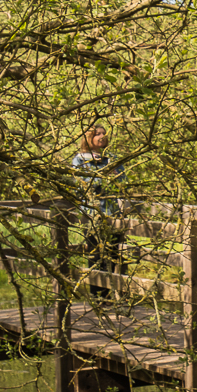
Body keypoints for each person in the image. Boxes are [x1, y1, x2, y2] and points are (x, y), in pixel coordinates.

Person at [72, 125, 125, 298]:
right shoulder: (80, 159)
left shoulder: (112, 158)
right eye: (97, 134)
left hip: (112, 212)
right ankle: (98, 296)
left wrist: (113, 175)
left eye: (104, 134)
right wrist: (102, 177)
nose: (102, 136)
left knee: (112, 254)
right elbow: (81, 184)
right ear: (89, 137)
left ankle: (111, 295)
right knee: (96, 255)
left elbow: (122, 180)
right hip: (92, 212)